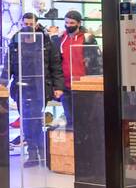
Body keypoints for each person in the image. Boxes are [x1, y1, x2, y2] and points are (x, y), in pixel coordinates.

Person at [6, 11, 63, 166]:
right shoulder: (16, 39)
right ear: (22, 24)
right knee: (25, 119)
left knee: (36, 119)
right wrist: (2, 82)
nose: (28, 26)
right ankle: (36, 151)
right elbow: (9, 62)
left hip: (40, 87)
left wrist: (58, 86)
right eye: (26, 24)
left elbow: (55, 65)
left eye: (31, 24)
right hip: (21, 86)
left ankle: (37, 152)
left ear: (36, 24)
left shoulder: (46, 41)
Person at [56, 10, 98, 130]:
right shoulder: (60, 39)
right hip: (66, 86)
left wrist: (94, 83)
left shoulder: (87, 39)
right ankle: (72, 147)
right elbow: (57, 62)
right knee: (70, 122)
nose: (68, 25)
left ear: (79, 23)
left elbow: (96, 62)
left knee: (86, 120)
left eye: (72, 23)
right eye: (67, 22)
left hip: (84, 85)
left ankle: (86, 146)